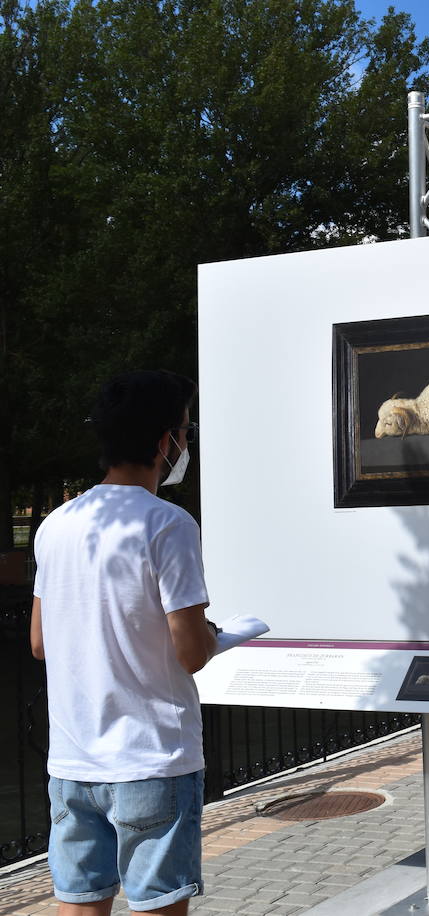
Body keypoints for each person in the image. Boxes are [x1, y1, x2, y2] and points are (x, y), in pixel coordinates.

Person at [31, 370, 217, 915]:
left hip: (72, 763)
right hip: (152, 759)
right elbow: (191, 651)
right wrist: (215, 636)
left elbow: (41, 642)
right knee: (158, 904)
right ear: (166, 443)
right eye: (188, 430)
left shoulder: (56, 524)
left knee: (79, 902)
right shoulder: (168, 524)